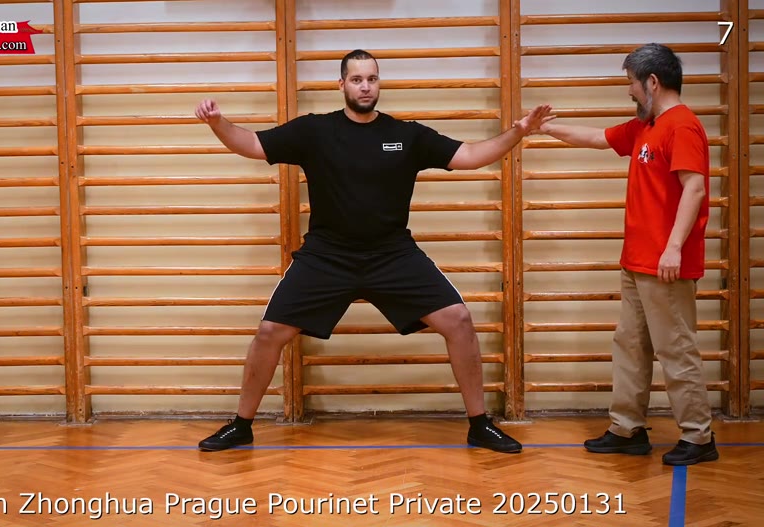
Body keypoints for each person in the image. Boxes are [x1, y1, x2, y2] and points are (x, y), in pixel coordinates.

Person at [194, 49, 551, 453]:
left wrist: (518, 132)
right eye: (357, 79)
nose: (365, 86)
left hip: (392, 255)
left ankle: (479, 424)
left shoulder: (407, 135)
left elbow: (469, 156)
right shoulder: (314, 131)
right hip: (327, 256)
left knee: (459, 320)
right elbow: (252, 144)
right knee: (269, 332)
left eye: (372, 79)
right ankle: (242, 425)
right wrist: (218, 123)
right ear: (341, 84)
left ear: (379, 83)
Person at [536, 43, 718, 466]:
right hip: (637, 262)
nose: (629, 91)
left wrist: (673, 248)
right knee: (631, 347)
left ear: (652, 82)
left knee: (676, 349)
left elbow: (694, 188)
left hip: (665, 264)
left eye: (632, 83)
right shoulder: (645, 127)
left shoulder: (682, 126)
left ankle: (698, 436)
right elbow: (597, 138)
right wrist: (544, 128)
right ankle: (626, 428)